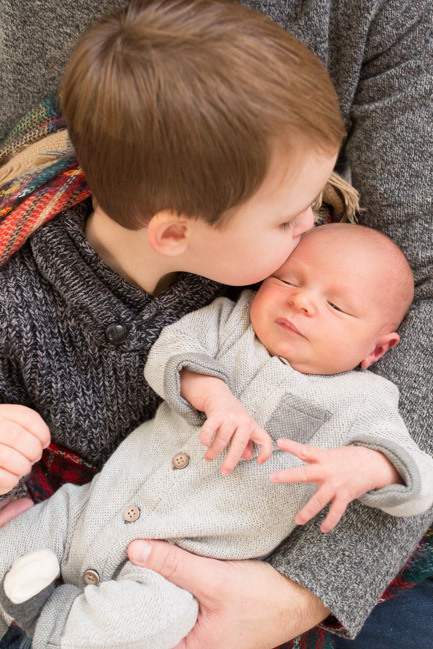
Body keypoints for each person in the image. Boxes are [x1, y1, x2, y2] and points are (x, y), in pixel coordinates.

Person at [0, 1, 432, 648]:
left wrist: (352, 502)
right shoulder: (32, 282)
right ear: (175, 232)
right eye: (290, 220)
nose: (311, 232)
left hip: (178, 564)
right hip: (69, 506)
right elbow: (180, 352)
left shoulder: (259, 303)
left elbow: (405, 459)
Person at [0, 223, 431, 649]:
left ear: (376, 350)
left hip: (175, 564)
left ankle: (53, 625)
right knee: (12, 538)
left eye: (336, 306)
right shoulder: (232, 321)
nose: (301, 300)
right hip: (90, 507)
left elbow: (421, 485)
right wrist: (214, 395)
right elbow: (171, 347)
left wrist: (370, 466)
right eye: (286, 280)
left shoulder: (366, 401)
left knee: (159, 618)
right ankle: (21, 602)